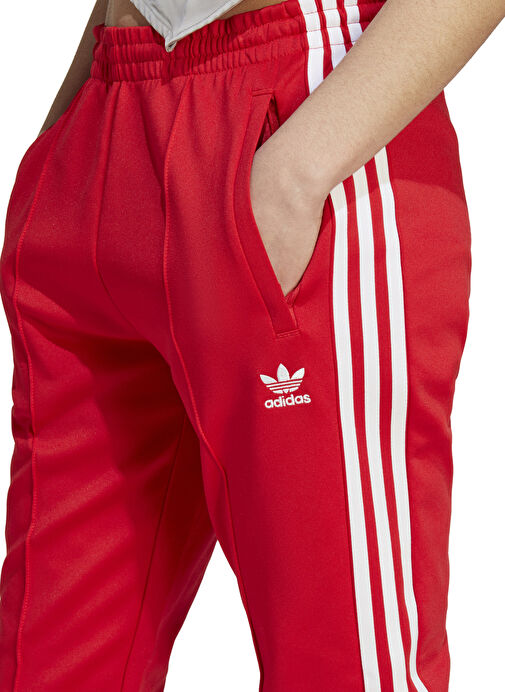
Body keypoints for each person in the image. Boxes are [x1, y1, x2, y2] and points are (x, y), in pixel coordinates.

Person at [0, 0, 503, 690]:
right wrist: (60, 141)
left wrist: (298, 171)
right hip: (105, 115)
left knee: (337, 667)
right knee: (51, 665)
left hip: (297, 106)